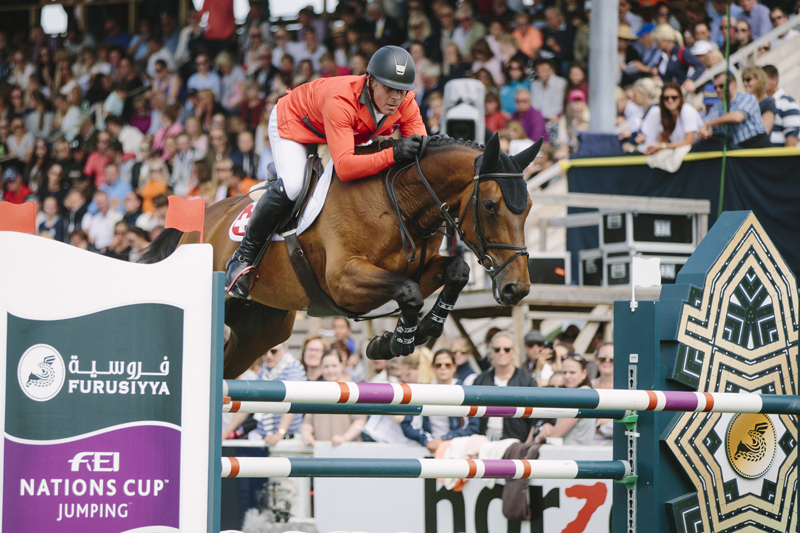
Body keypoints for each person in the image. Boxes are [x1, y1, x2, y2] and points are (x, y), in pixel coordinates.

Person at [225, 45, 427, 298]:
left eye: (402, 90)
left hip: (342, 131)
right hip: (295, 123)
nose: (396, 97)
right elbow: (345, 167)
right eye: (389, 88)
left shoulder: (405, 101)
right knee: (295, 185)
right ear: (371, 81)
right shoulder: (342, 100)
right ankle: (242, 258)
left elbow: (422, 151)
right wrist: (394, 154)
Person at [400, 349, 479, 453]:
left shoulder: (465, 391)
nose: (443, 368)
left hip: (455, 449)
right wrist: (426, 440)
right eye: (438, 365)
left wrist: (444, 440)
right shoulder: (424, 390)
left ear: (454, 367)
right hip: (428, 449)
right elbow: (407, 424)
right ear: (433, 368)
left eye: (447, 365)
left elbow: (473, 427)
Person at [473, 332, 538, 442]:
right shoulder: (480, 380)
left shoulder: (527, 381)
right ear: (491, 353)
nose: (501, 353)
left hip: (516, 442)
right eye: (497, 349)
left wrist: (526, 446)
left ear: (514, 352)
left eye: (507, 349)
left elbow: (535, 417)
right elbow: (471, 416)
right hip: (483, 440)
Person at [300, 349, 366, 447]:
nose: (330, 370)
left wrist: (344, 438)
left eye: (334, 366)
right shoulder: (316, 392)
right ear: (321, 368)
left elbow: (360, 421)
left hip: (348, 450)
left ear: (342, 366)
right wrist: (306, 434)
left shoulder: (352, 389)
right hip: (322, 451)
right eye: (326, 366)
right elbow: (307, 422)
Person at [534, 354, 595, 445]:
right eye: (564, 372)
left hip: (577, 455)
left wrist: (541, 435)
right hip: (574, 454)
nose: (567, 376)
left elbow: (556, 433)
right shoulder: (579, 394)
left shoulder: (583, 394)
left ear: (584, 374)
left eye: (572, 372)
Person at [698, 72, 770, 148]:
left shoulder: (747, 97)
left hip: (758, 145)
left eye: (721, 86)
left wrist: (709, 123)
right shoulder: (716, 108)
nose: (718, 90)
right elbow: (703, 131)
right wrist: (705, 133)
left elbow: (737, 117)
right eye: (715, 87)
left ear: (733, 84)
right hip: (737, 151)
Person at [639, 82, 703, 154]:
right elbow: (662, 140)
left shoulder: (687, 109)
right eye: (666, 98)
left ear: (680, 98)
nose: (670, 100)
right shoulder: (664, 115)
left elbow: (689, 141)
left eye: (674, 97)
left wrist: (663, 146)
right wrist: (653, 148)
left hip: (696, 153)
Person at [652, 24, 705, 93]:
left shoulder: (681, 51)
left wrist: (690, 80)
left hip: (680, 91)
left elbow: (700, 66)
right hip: (665, 91)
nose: (657, 44)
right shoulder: (662, 56)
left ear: (665, 40)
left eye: (658, 41)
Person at [763, 65, 800, 147]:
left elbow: (792, 136)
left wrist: (784, 159)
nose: (761, 83)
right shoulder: (759, 102)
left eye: (764, 80)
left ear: (775, 80)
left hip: (778, 157)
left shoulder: (788, 102)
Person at [741, 66, 776, 136]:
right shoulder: (747, 102)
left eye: (748, 80)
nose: (745, 83)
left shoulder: (767, 102)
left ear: (759, 80)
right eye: (743, 80)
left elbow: (765, 131)